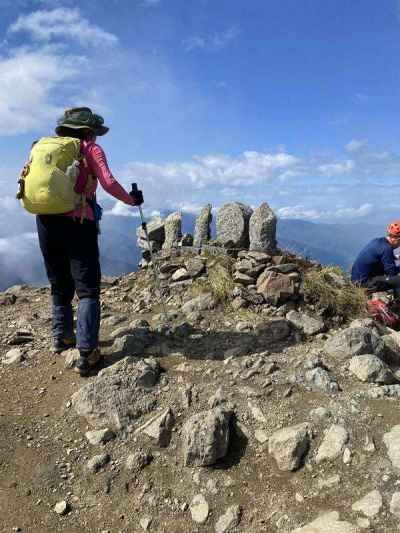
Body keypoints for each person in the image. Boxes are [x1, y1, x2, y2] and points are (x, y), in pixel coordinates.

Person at [34, 107, 143, 376]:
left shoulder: (42, 148)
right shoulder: (89, 149)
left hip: (45, 220)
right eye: (94, 132)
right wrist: (132, 200)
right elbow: (107, 182)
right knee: (87, 287)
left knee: (58, 280)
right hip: (79, 221)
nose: (96, 137)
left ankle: (61, 337)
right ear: (88, 131)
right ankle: (88, 352)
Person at [351, 220, 400, 296]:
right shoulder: (387, 249)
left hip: (356, 279)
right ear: (396, 239)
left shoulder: (377, 241)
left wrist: (395, 257)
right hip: (363, 284)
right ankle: (397, 304)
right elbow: (392, 274)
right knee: (398, 280)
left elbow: (380, 257)